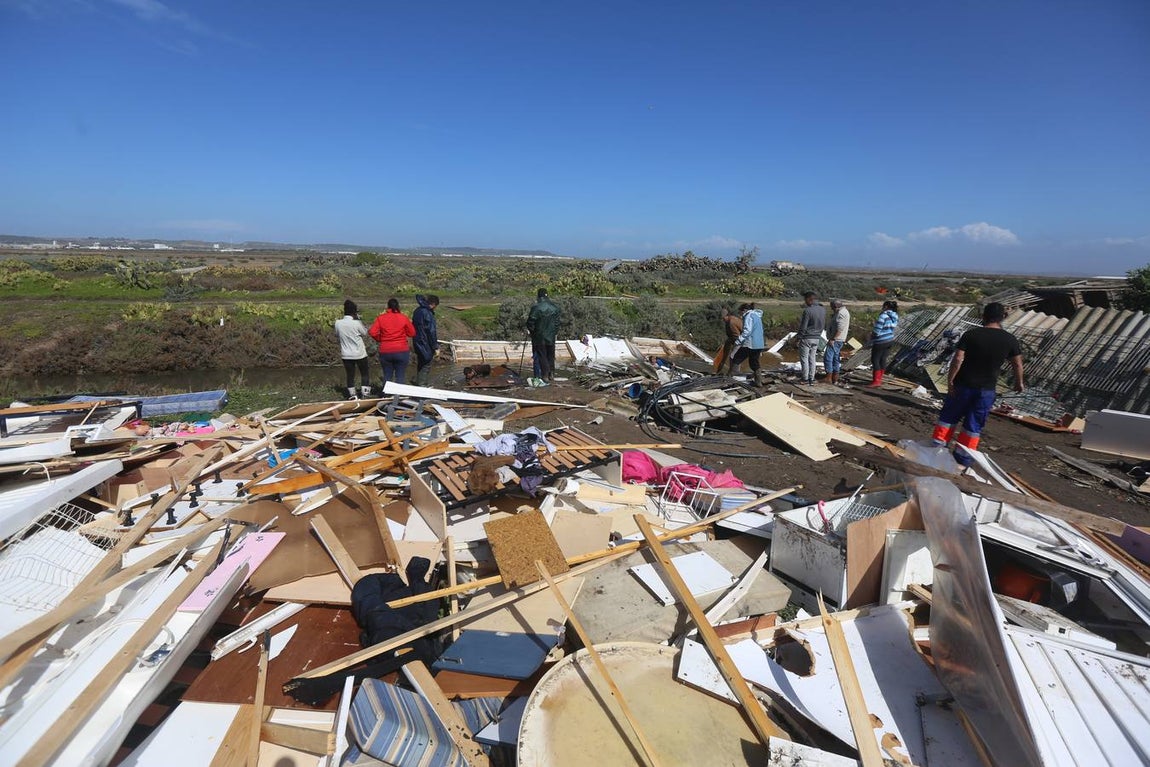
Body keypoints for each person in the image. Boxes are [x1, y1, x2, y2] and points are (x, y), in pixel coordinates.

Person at [931, 302, 1024, 466]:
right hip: (986, 391)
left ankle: (936, 451)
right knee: (973, 427)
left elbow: (958, 359)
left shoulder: (971, 334)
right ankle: (963, 460)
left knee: (948, 419)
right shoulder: (1010, 339)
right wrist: (1019, 383)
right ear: (1002, 317)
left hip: (963, 385)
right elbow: (1017, 364)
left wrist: (950, 380)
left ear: (983, 316)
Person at [369, 297, 415, 386]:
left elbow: (372, 332)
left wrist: (380, 339)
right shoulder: (403, 318)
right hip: (401, 350)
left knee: (387, 375)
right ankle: (399, 396)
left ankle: (386, 395)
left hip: (386, 350)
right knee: (400, 375)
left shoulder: (381, 318)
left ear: (388, 307)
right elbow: (412, 333)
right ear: (398, 306)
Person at [334, 299, 373, 399]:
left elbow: (337, 335)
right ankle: (365, 394)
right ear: (354, 312)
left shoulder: (338, 323)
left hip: (346, 354)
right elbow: (365, 333)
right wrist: (358, 320)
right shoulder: (356, 323)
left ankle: (352, 395)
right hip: (359, 353)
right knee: (364, 373)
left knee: (350, 375)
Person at [526, 288, 561, 382]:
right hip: (551, 335)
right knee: (551, 355)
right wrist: (554, 332)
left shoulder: (536, 308)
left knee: (542, 355)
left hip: (539, 336)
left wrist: (532, 331)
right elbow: (557, 323)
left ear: (539, 296)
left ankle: (545, 375)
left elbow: (530, 322)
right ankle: (552, 373)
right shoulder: (555, 307)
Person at [729, 302, 766, 386]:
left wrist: (738, 341)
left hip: (750, 343)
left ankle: (731, 378)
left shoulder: (748, 316)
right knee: (754, 362)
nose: (740, 315)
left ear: (744, 310)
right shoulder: (757, 316)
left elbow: (747, 331)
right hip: (759, 343)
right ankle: (758, 381)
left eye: (740, 312)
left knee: (736, 358)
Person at [867, 300, 899, 387]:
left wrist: (871, 337)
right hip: (889, 339)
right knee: (883, 359)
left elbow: (877, 331)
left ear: (885, 307)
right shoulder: (894, 316)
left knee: (875, 360)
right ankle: (880, 379)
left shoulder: (883, 316)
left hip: (880, 340)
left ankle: (876, 381)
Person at [797, 291, 825, 385]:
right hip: (817, 337)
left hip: (807, 337)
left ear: (809, 299)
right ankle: (811, 378)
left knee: (804, 358)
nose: (805, 302)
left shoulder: (808, 311)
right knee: (812, 358)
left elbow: (803, 326)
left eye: (805, 300)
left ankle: (805, 378)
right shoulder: (822, 310)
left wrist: (799, 337)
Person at [411, 294, 440, 386]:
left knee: (421, 362)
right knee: (426, 364)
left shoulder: (417, 310)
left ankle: (419, 382)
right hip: (425, 342)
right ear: (433, 304)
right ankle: (422, 385)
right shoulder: (427, 313)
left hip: (417, 341)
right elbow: (431, 331)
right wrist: (435, 346)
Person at [824, 299, 850, 386]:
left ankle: (828, 377)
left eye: (832, 307)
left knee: (828, 357)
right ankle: (835, 378)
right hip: (839, 339)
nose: (832, 309)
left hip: (836, 339)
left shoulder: (841, 313)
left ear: (835, 306)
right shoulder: (842, 312)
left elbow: (840, 328)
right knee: (835, 358)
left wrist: (833, 339)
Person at [715, 306, 743, 373]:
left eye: (723, 318)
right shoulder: (728, 321)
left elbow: (739, 334)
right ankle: (719, 372)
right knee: (724, 356)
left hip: (738, 340)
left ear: (725, 316)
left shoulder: (732, 322)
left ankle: (733, 373)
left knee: (733, 356)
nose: (723, 320)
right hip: (731, 339)